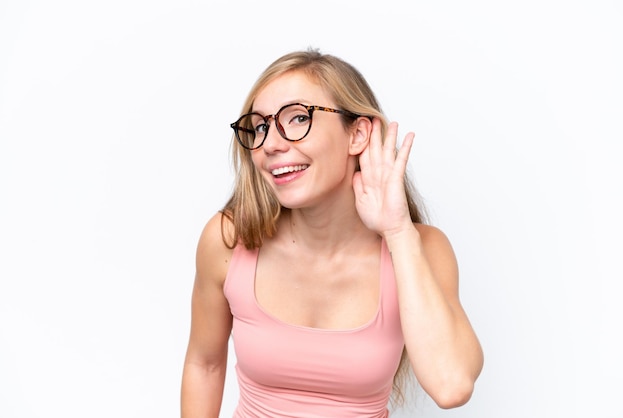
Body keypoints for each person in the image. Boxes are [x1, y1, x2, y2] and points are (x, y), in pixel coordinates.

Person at [180, 48, 483, 418]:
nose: (271, 143)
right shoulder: (230, 238)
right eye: (260, 126)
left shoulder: (422, 247)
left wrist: (398, 232)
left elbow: (451, 385)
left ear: (357, 134)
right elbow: (204, 364)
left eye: (297, 118)